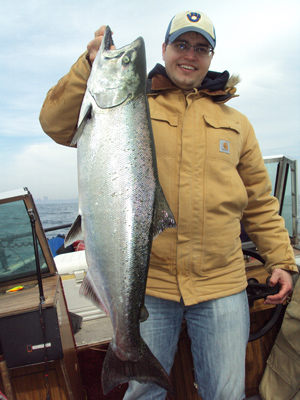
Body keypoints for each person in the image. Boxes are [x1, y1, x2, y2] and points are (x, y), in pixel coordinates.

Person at [39, 10, 298, 400]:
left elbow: (260, 203)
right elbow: (55, 123)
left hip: (222, 284)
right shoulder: (128, 105)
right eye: (181, 45)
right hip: (149, 286)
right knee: (143, 395)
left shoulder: (238, 123)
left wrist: (281, 260)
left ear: (210, 57)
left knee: (225, 395)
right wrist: (89, 64)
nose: (189, 55)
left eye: (200, 48)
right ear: (164, 49)